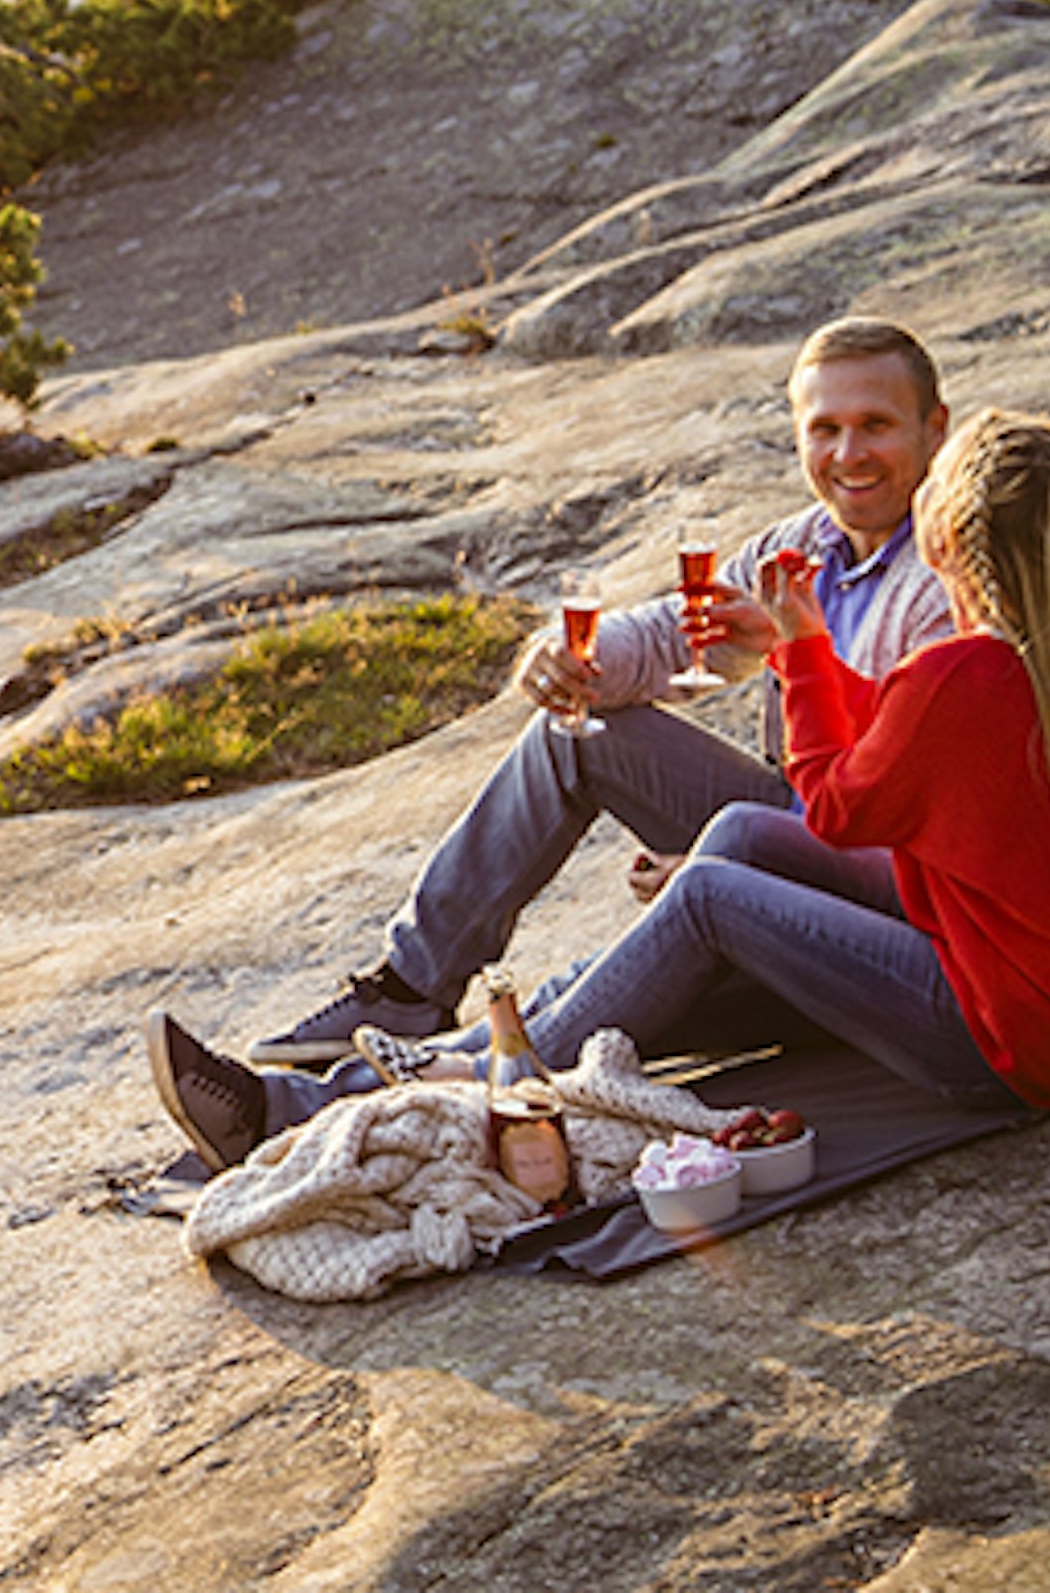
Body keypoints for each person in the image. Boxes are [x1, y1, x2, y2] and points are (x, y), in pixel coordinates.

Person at [151, 407, 1050, 1169]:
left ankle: (427, 1091)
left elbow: (838, 803)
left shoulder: (967, 671)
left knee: (705, 894)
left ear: (950, 540)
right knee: (739, 833)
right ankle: (412, 1062)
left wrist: (797, 657)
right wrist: (807, 649)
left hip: (1018, 1042)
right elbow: (904, 749)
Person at [217, 319, 964, 1098]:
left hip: (886, 885)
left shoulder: (947, 579)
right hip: (790, 821)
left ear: (933, 428)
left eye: (875, 425)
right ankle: (411, 990)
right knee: (578, 734)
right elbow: (680, 629)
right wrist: (575, 657)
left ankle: (408, 1084)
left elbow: (911, 816)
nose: (848, 455)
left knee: (652, 943)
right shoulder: (801, 543)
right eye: (825, 429)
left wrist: (741, 865)